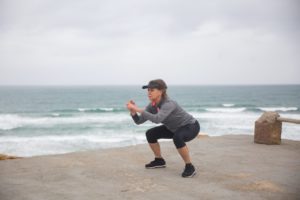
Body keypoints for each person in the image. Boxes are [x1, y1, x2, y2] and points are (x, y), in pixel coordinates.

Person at [126, 79, 200, 178]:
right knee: (150, 134)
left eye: (152, 90)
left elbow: (157, 119)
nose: (149, 92)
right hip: (173, 128)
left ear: (161, 91)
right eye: (148, 90)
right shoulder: (152, 106)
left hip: (190, 126)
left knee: (177, 137)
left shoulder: (169, 103)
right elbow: (139, 121)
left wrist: (138, 109)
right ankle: (159, 160)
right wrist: (133, 112)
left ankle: (189, 167)